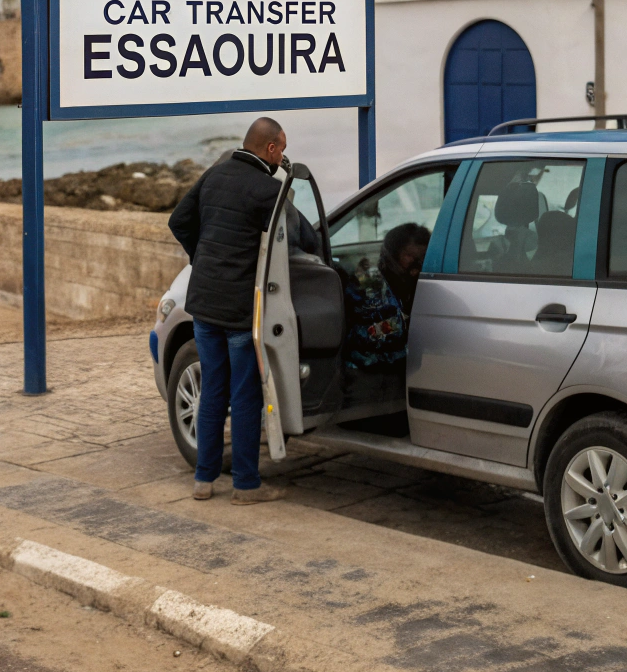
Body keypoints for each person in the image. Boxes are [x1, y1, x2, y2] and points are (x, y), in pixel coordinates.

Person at [169, 115, 310, 506]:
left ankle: (203, 480)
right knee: (245, 394)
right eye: (281, 149)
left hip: (203, 304)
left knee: (213, 389)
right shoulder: (267, 191)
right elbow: (299, 236)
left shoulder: (214, 176)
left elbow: (179, 220)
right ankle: (246, 485)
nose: (283, 156)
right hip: (237, 310)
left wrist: (205, 257)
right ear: (270, 148)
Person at [341, 222, 431, 373]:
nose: (417, 262)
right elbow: (359, 336)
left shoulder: (421, 282)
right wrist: (402, 322)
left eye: (422, 256)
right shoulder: (369, 285)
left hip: (407, 367)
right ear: (394, 255)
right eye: (409, 255)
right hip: (370, 371)